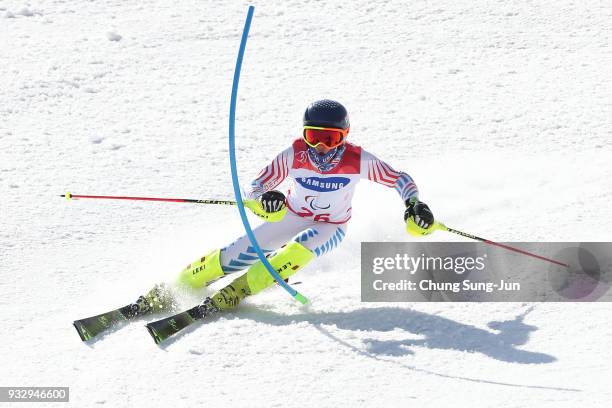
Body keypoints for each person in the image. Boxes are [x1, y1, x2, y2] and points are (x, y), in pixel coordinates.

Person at [134, 99, 435, 316]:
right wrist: (266, 198)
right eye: (314, 137)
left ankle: (239, 290)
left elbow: (399, 179)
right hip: (292, 215)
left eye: (330, 139)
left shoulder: (357, 160)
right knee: (236, 252)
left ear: (345, 136)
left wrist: (413, 203)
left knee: (294, 252)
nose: (321, 147)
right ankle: (178, 285)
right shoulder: (294, 155)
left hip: (330, 226)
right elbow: (256, 185)